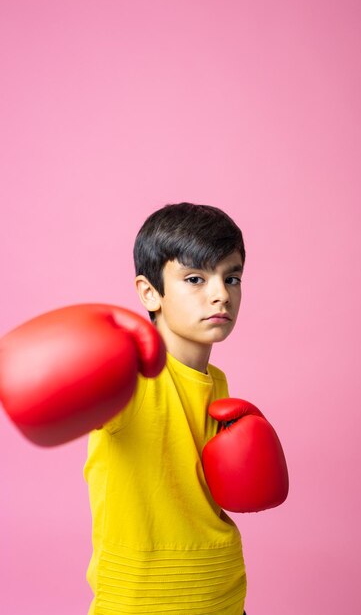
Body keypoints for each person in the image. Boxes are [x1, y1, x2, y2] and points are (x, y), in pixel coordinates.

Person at [83, 202, 249, 614]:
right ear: (149, 293)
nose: (220, 294)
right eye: (195, 278)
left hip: (223, 596)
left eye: (232, 277)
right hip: (142, 602)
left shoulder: (219, 383)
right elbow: (79, 397)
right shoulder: (128, 374)